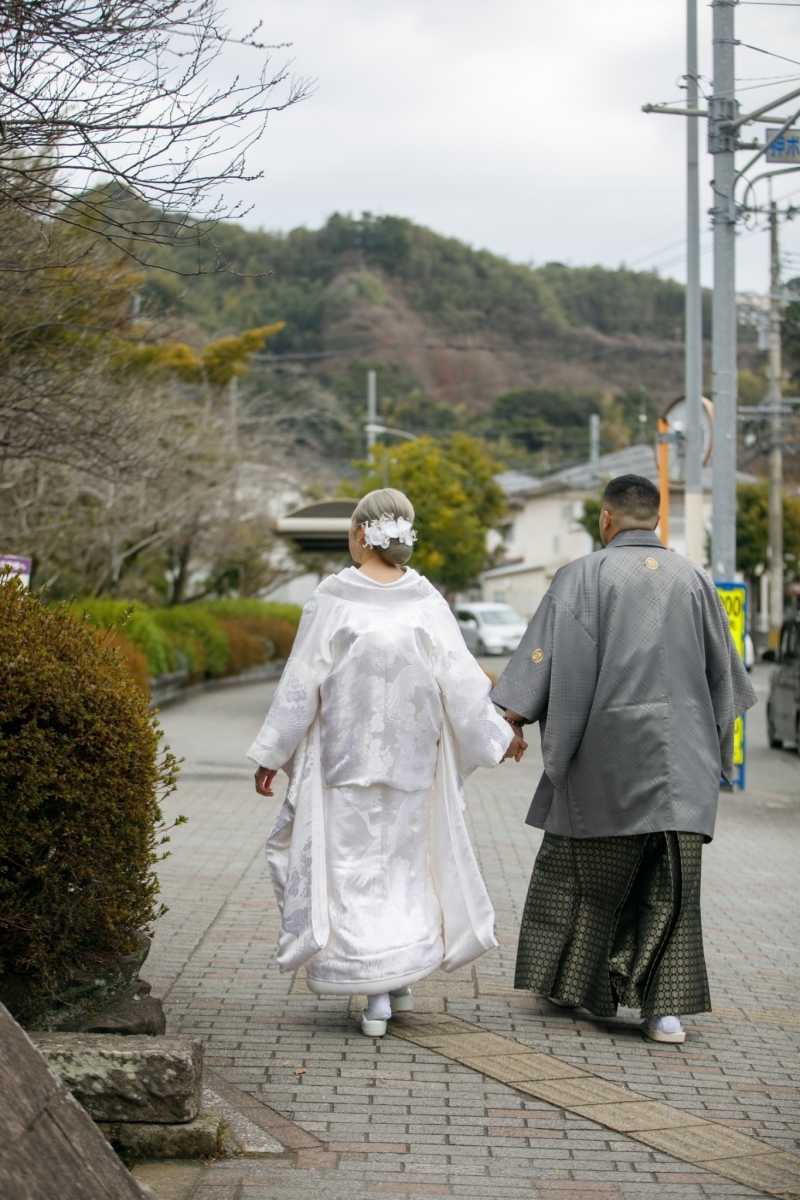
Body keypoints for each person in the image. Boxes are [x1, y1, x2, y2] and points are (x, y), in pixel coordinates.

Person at [247, 487, 525, 1037]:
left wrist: (272, 753)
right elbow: (462, 678)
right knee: (404, 867)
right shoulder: (425, 600)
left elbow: (301, 682)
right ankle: (398, 977)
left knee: (352, 870)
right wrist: (499, 733)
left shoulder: (333, 598)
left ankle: (375, 987)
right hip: (412, 761)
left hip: (345, 761)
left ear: (359, 533)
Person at [491, 474, 757, 1044]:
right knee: (672, 887)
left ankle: (576, 987)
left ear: (606, 518)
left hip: (603, 762)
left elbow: (537, 663)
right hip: (683, 764)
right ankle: (666, 1013)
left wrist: (509, 721)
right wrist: (718, 756)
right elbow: (728, 684)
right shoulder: (695, 579)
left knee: (586, 883)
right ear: (657, 520)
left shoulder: (581, 576)